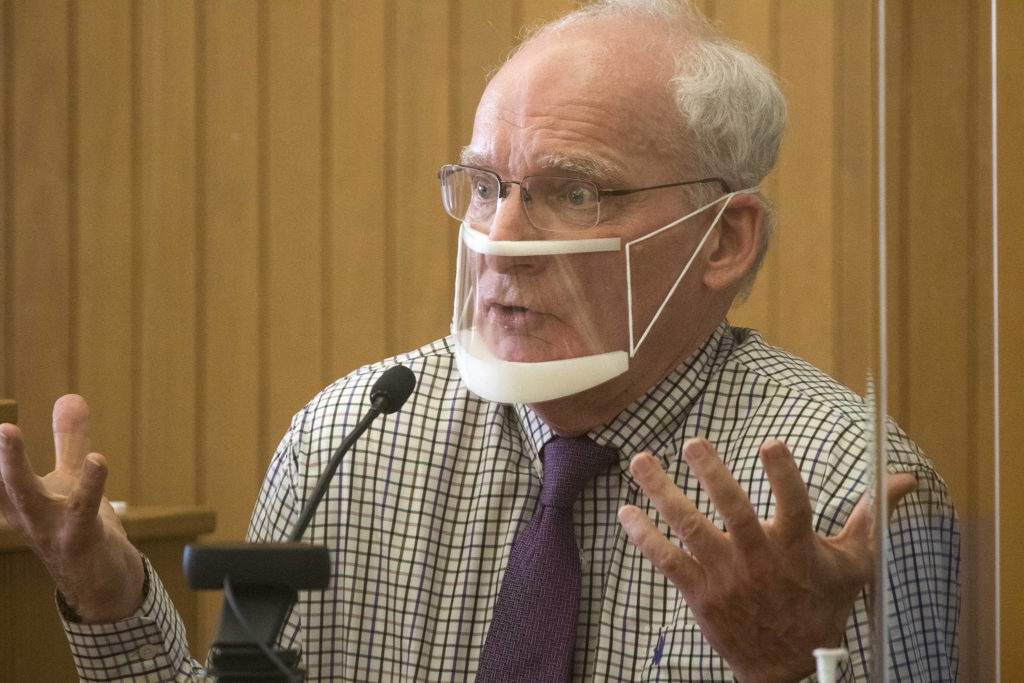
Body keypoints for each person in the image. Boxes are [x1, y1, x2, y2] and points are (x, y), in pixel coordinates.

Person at [0, 0, 959, 681]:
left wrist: (786, 673)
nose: (501, 240)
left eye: (575, 190)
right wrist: (111, 600)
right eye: (486, 185)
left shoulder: (846, 494)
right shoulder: (357, 435)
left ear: (725, 238)